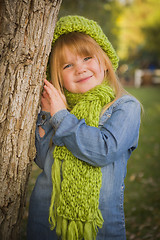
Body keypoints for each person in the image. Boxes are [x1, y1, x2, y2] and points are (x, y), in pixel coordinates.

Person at [27, 15, 141, 240]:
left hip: (99, 227)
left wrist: (60, 117)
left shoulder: (125, 107)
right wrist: (48, 115)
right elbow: (44, 160)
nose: (80, 69)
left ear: (105, 61)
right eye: (68, 65)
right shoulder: (60, 108)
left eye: (87, 58)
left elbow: (102, 151)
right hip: (47, 221)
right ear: (57, 76)